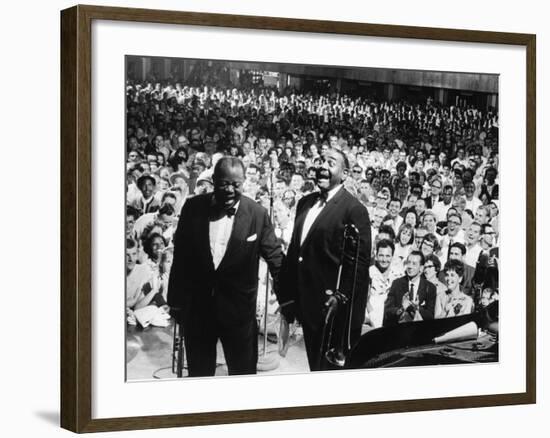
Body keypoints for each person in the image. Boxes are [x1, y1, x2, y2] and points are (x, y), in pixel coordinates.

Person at [167, 157, 283, 376]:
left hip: (239, 314)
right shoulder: (193, 208)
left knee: (242, 375)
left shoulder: (257, 214)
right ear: (213, 180)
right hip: (199, 311)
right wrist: (176, 302)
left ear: (244, 182)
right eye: (224, 184)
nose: (230, 190)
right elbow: (181, 258)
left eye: (236, 185)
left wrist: (289, 298)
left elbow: (275, 257)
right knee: (199, 375)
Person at [279, 148, 371, 371]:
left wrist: (340, 299)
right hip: (305, 305)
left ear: (345, 173)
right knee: (314, 368)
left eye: (331, 163)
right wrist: (287, 298)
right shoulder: (304, 203)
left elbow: (358, 266)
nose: (323, 166)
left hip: (332, 312)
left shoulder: (354, 209)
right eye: (320, 161)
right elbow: (294, 253)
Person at [383, 250, 437, 326]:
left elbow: (431, 316)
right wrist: (401, 309)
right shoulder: (397, 283)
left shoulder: (430, 287)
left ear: (421, 268)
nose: (410, 266)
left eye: (414, 264)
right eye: (409, 263)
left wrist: (417, 308)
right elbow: (387, 311)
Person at [365, 239, 400, 328]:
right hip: (370, 318)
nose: (384, 260)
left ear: (392, 256)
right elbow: (366, 301)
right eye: (381, 255)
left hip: (391, 319)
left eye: (388, 256)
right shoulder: (369, 273)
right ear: (376, 256)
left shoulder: (398, 275)